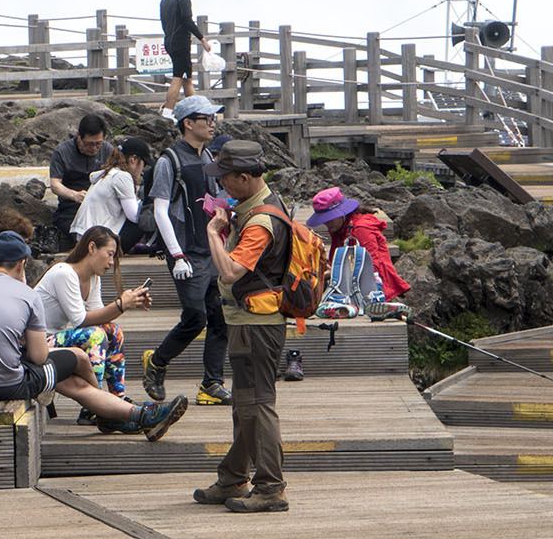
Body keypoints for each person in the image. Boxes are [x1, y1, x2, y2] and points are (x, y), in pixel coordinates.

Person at [0, 231, 187, 438]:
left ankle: (123, 414)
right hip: (7, 385)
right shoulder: (27, 296)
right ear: (21, 264)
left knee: (63, 371)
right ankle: (126, 414)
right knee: (76, 362)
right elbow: (38, 356)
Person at [193, 141, 291, 513]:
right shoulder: (261, 207)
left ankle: (271, 487)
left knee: (259, 404)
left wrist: (213, 236)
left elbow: (232, 272)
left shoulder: (262, 222)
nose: (222, 188)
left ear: (245, 178)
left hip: (257, 324)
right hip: (248, 321)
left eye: (227, 181)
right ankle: (233, 476)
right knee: (244, 405)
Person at [142, 96, 230, 408]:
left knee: (220, 318)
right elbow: (161, 211)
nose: (211, 123)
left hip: (211, 250)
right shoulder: (169, 161)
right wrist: (177, 255)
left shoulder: (208, 155)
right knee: (195, 317)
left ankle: (212, 384)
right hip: (187, 253)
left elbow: (216, 197)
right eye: (205, 118)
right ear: (187, 123)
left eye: (212, 117)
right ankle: (157, 362)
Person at [36, 226, 151, 422]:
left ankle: (117, 397)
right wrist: (121, 305)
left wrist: (130, 302)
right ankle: (92, 406)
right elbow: (80, 320)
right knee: (94, 335)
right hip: (38, 342)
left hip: (60, 337)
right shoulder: (64, 273)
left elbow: (99, 317)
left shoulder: (93, 277)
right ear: (91, 248)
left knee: (113, 331)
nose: (111, 262)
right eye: (109, 254)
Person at [307, 186, 411, 305]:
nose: (327, 223)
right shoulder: (340, 228)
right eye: (325, 220)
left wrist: (333, 273)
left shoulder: (361, 229)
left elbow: (372, 267)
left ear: (342, 213)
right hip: (352, 286)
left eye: (330, 219)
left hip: (375, 290)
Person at [74, 136, 154, 273]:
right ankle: (152, 246)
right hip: (99, 242)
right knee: (148, 215)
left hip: (85, 237)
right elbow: (134, 217)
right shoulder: (122, 176)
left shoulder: (107, 174)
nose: (143, 170)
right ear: (133, 160)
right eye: (143, 164)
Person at [48, 114, 114, 242]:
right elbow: (55, 184)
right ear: (79, 136)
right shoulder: (62, 152)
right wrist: (74, 195)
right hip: (72, 208)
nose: (94, 148)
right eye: (89, 144)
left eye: (98, 144)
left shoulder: (107, 150)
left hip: (101, 206)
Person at [159, 0, 212, 120]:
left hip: (169, 39)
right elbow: (188, 21)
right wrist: (202, 39)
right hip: (180, 41)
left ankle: (195, 111)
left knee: (187, 78)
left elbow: (164, 22)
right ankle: (168, 113)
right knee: (178, 77)